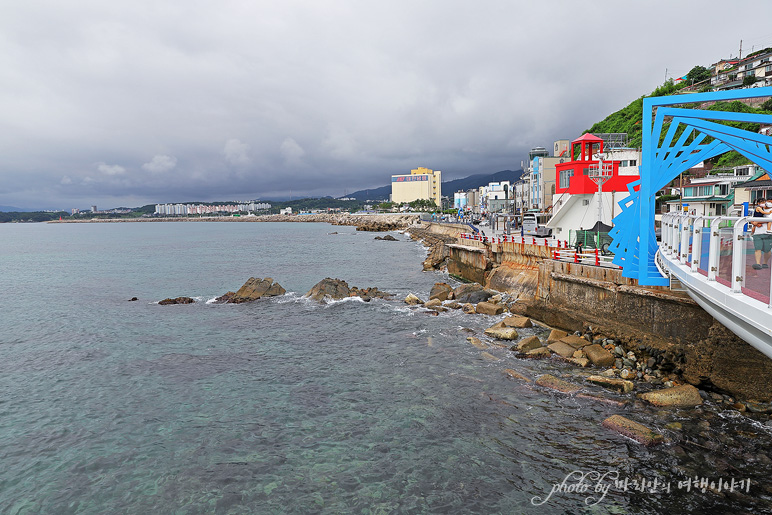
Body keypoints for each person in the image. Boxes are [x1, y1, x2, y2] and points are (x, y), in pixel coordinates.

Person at [751, 198, 772, 270]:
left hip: (768, 233)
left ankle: (765, 263)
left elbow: (769, 219)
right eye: (768, 202)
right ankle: (758, 263)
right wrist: (755, 223)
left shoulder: (769, 211)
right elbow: (752, 219)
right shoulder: (760, 209)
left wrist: (759, 222)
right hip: (758, 232)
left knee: (767, 250)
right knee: (757, 248)